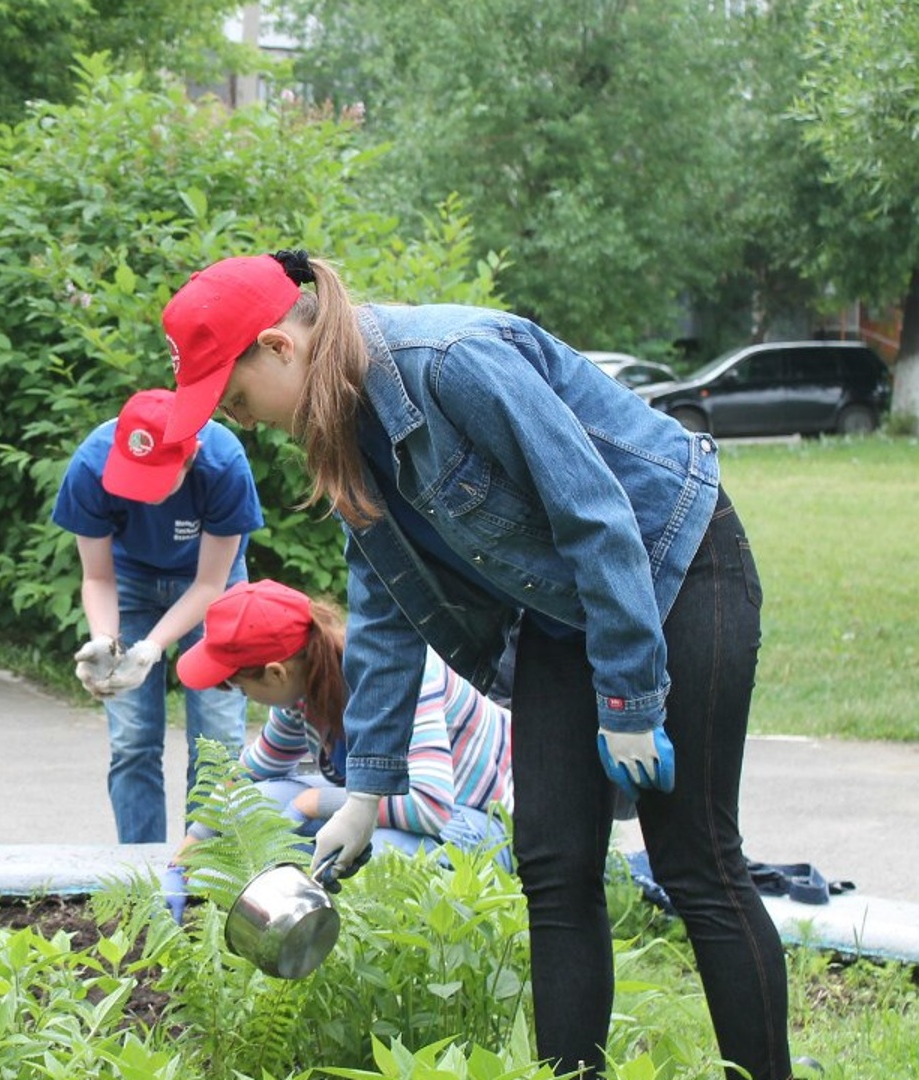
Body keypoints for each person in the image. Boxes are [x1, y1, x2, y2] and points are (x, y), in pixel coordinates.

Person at [159, 250, 785, 1079]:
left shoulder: (450, 362)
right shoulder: (349, 435)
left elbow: (598, 517)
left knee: (694, 861)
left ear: (279, 346)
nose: (240, 419)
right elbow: (384, 613)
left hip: (676, 564)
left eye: (235, 399)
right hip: (565, 610)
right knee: (554, 867)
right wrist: (368, 792)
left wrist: (630, 696)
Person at [168, 580, 511, 878]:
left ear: (276, 673)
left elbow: (430, 807)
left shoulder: (397, 678)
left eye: (242, 688)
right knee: (261, 802)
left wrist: (312, 802)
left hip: (482, 821)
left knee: (371, 857)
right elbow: (246, 776)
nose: (247, 697)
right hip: (421, 811)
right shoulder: (307, 685)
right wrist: (186, 854)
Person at [51, 388, 263, 844]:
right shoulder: (91, 465)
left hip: (212, 582)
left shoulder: (223, 464)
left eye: (156, 480)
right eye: (133, 478)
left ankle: (206, 872)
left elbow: (210, 585)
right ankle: (139, 872)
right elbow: (98, 578)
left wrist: (149, 647)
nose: (143, 495)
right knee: (132, 742)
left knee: (219, 741)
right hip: (128, 583)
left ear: (192, 456)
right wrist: (106, 643)